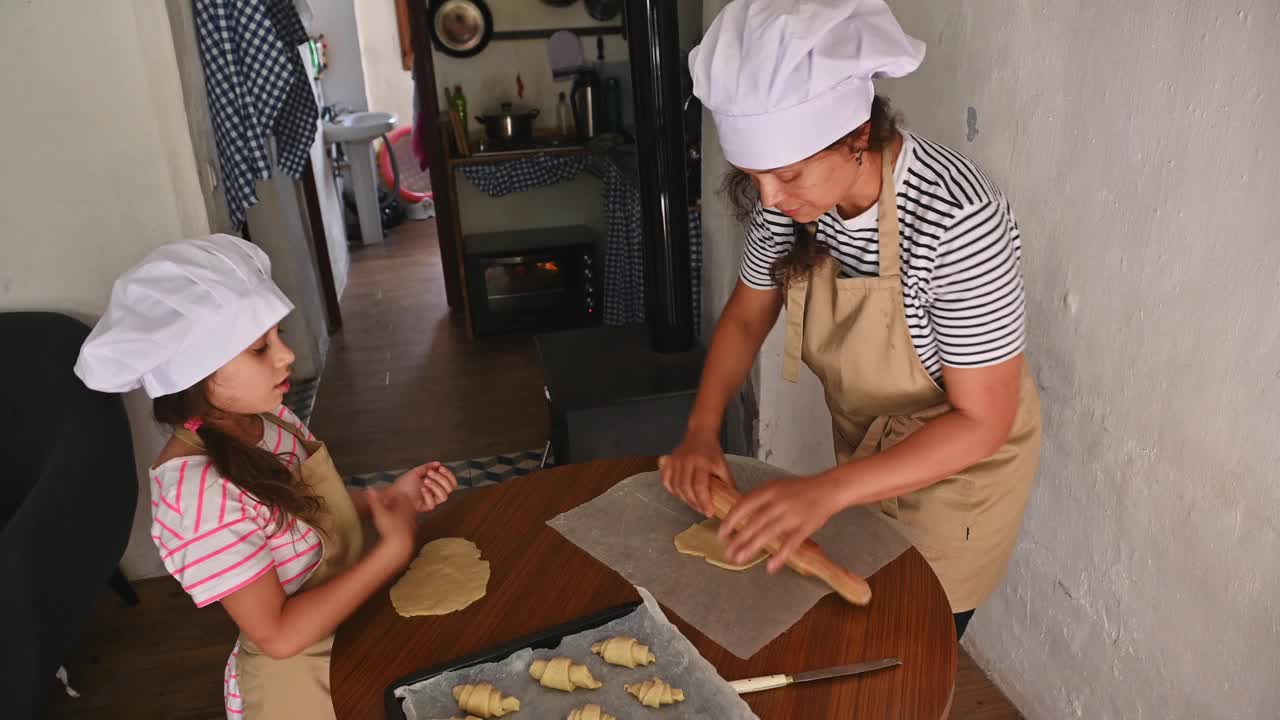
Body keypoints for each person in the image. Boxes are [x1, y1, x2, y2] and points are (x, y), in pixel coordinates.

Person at [661, 0, 1041, 641]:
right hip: (864, 458)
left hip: (959, 477)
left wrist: (825, 492)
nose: (771, 199)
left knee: (908, 650)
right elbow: (748, 316)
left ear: (857, 135)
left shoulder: (956, 219)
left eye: (785, 174)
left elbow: (983, 421)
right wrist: (701, 430)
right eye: (754, 177)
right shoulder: (791, 201)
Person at [75, 235, 458, 718]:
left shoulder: (271, 421)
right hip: (302, 689)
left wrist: (384, 500)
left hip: (356, 640)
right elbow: (277, 634)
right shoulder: (198, 495)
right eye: (260, 349)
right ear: (196, 374)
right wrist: (392, 551)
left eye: (278, 336)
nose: (286, 355)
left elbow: (302, 510)